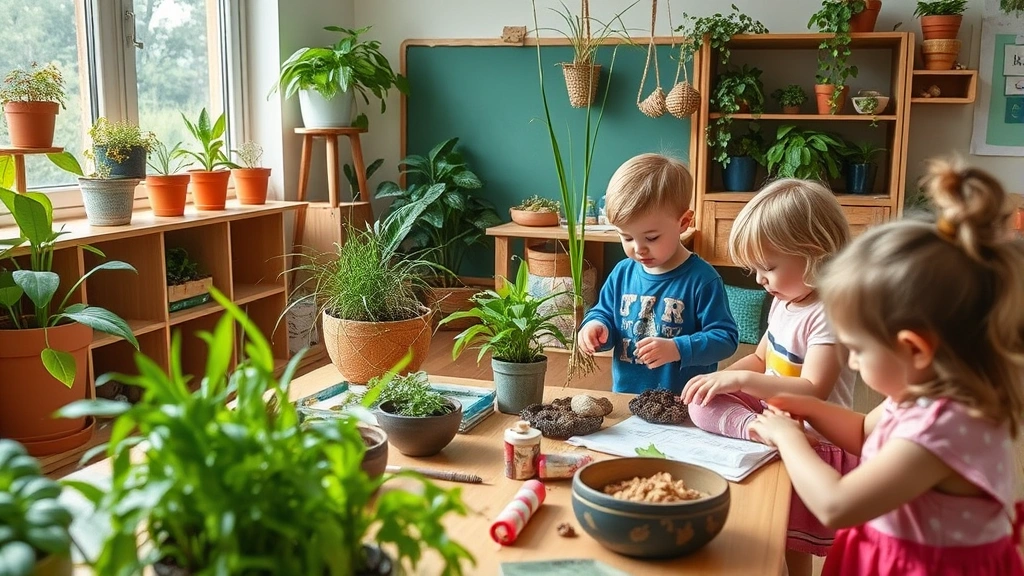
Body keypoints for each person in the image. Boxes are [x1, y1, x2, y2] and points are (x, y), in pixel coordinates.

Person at [750, 159, 1024, 576]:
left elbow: (836, 504)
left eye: (857, 349)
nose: (853, 362)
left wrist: (790, 439)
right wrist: (808, 409)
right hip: (885, 551)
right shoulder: (922, 396)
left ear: (914, 349)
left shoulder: (942, 429)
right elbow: (863, 432)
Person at [681, 179, 858, 575]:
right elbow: (761, 359)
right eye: (755, 268)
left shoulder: (828, 313)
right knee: (701, 403)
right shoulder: (785, 300)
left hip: (815, 438)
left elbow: (812, 391)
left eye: (769, 267)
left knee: (790, 539)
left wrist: (740, 383)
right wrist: (724, 378)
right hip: (776, 418)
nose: (759, 279)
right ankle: (758, 432)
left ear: (816, 255)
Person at [578, 153, 737, 394]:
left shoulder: (702, 279)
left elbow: (725, 339)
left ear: (683, 222)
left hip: (682, 403)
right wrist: (595, 326)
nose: (638, 248)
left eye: (651, 238)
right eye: (627, 237)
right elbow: (605, 313)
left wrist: (677, 348)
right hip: (628, 399)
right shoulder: (622, 273)